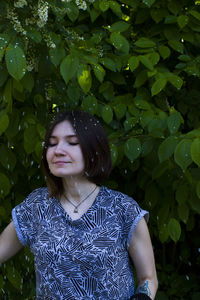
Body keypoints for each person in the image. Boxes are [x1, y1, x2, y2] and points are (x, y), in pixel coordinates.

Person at [0, 110, 158, 299]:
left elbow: (148, 277)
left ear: (93, 149)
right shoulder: (37, 206)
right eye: (52, 143)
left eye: (72, 142)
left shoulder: (123, 209)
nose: (58, 150)